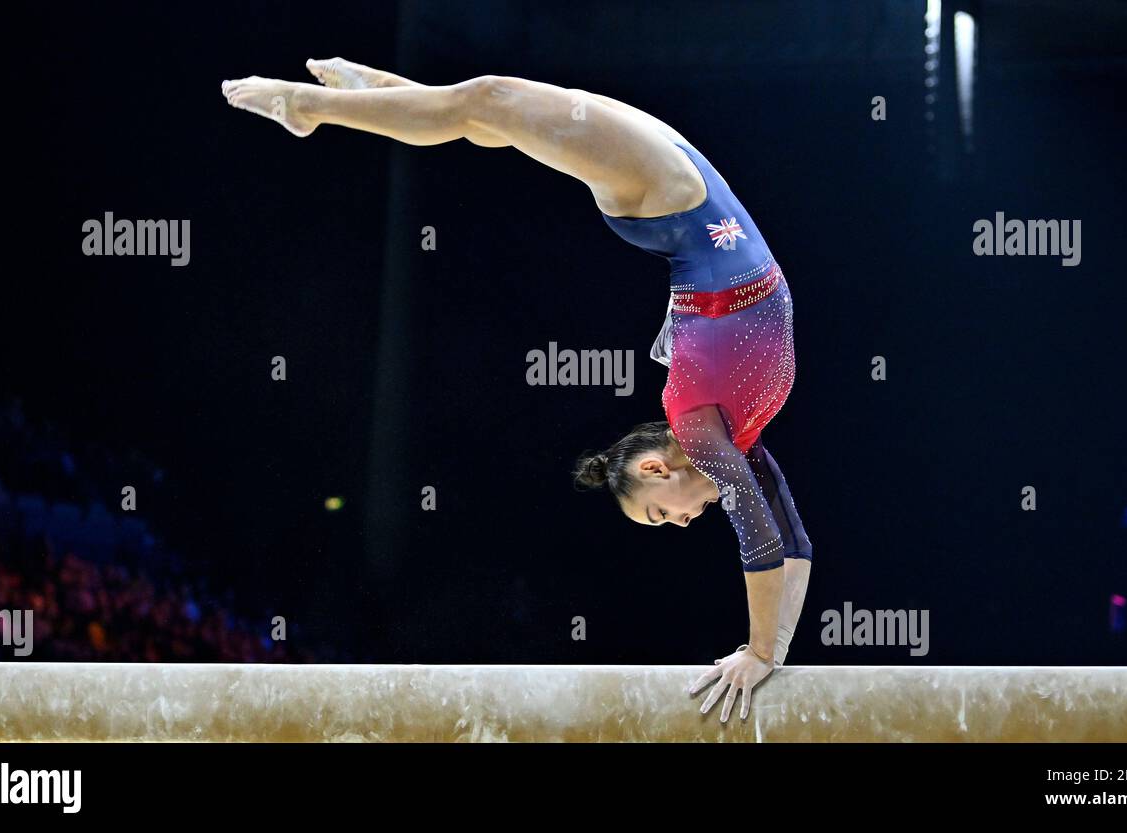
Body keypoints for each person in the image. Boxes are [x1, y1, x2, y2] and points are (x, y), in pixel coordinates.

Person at [222, 60, 814, 722]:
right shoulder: (713, 437)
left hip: (674, 202)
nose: (679, 522)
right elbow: (773, 537)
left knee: (491, 112)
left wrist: (768, 654)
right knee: (488, 111)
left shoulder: (715, 428)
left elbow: (778, 538)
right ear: (655, 465)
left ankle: (369, 98)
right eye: (661, 514)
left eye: (660, 517)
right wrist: (765, 653)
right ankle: (322, 106)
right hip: (678, 197)